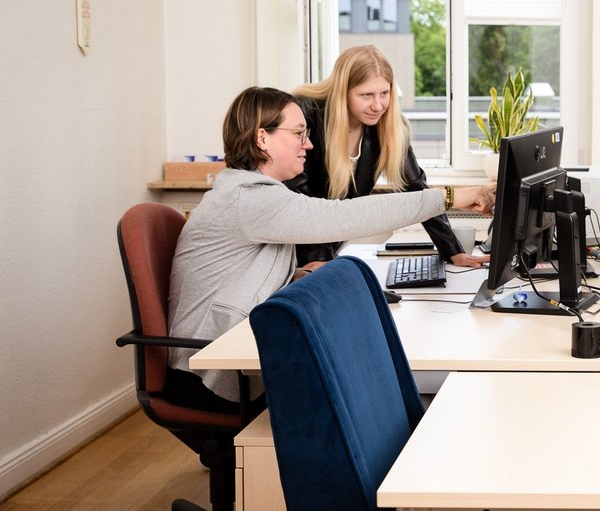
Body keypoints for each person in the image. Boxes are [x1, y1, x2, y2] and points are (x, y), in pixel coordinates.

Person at [166, 87, 495, 412]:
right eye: (298, 133)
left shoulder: (249, 193)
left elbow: (240, 272)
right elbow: (347, 216)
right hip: (211, 370)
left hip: (228, 352)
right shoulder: (250, 198)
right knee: (362, 377)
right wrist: (451, 197)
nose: (308, 144)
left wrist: (295, 274)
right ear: (261, 138)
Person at [287, 45, 487, 268]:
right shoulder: (306, 115)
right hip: (291, 254)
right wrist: (319, 258)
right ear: (342, 91)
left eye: (384, 93)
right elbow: (302, 198)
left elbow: (418, 190)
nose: (378, 105)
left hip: (327, 255)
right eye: (366, 95)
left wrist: (453, 251)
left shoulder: (388, 127)